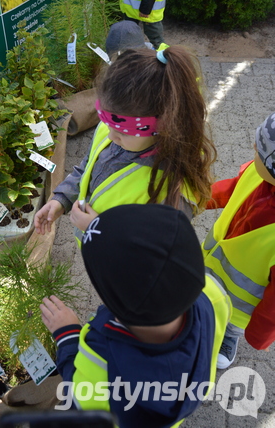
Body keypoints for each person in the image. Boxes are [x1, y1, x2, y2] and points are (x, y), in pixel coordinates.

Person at [40, 204, 232, 428]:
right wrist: (101, 229)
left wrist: (67, 334)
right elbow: (152, 260)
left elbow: (78, 391)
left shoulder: (99, 357)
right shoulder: (212, 294)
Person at [34, 46, 216, 247]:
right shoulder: (110, 131)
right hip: (96, 253)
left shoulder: (172, 189)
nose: (111, 136)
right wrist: (61, 200)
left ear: (163, 125)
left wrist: (98, 228)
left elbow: (157, 251)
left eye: (121, 131)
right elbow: (88, 169)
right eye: (107, 124)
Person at [203, 111, 275, 369]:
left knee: (230, 322)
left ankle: (226, 338)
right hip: (210, 266)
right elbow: (234, 187)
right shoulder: (259, 174)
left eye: (259, 150)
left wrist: (258, 335)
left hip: (240, 303)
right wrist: (201, 197)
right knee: (200, 297)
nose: (253, 148)